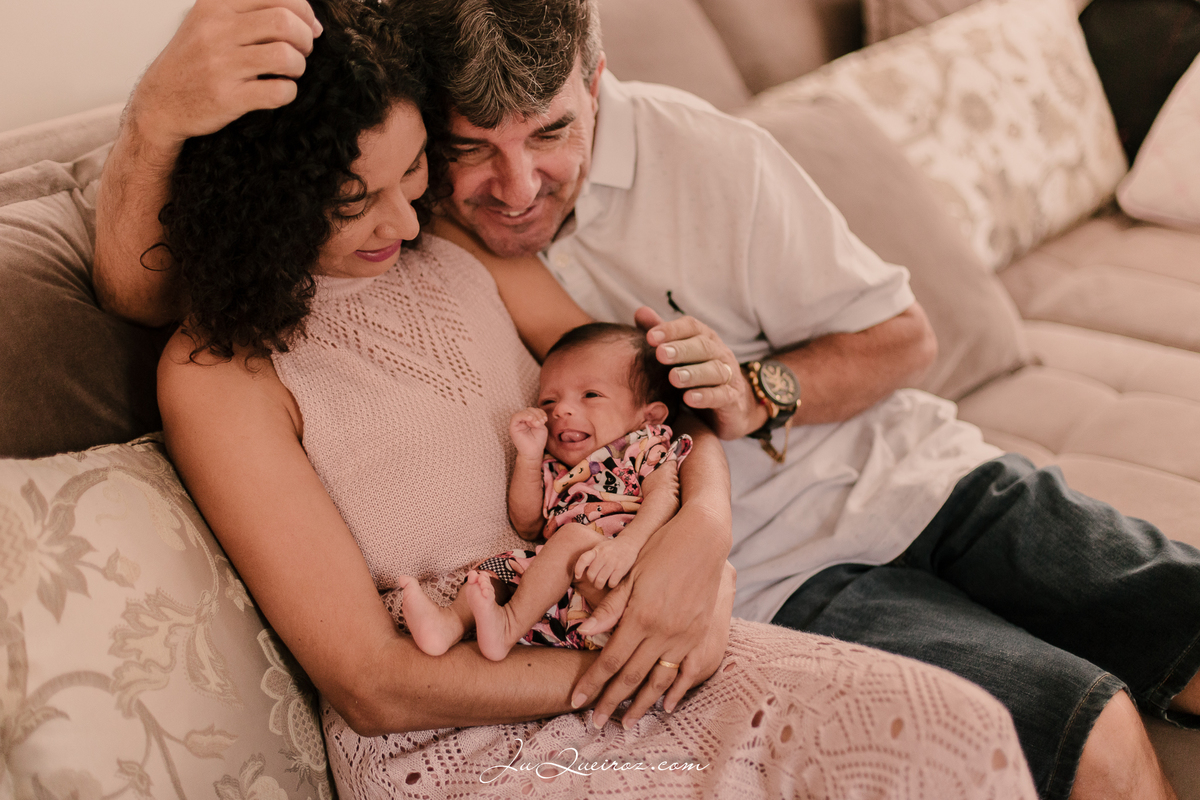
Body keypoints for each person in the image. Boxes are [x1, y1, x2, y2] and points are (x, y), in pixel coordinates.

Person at [121, 0, 1037, 797]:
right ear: (264, 202)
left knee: (963, 731)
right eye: (354, 200)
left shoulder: (454, 251)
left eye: (414, 176)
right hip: (463, 727)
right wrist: (611, 667)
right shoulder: (218, 375)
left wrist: (699, 535)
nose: (404, 223)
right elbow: (373, 684)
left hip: (617, 630)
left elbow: (655, 396)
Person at [400, 322, 693, 661]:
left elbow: (665, 498)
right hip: (561, 602)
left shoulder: (644, 444)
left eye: (591, 395)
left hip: (629, 571)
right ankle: (448, 624)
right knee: (494, 572)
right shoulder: (555, 466)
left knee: (569, 539)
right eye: (549, 400)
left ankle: (507, 627)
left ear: (648, 417)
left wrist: (628, 546)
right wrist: (529, 456)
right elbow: (526, 526)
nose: (561, 410)